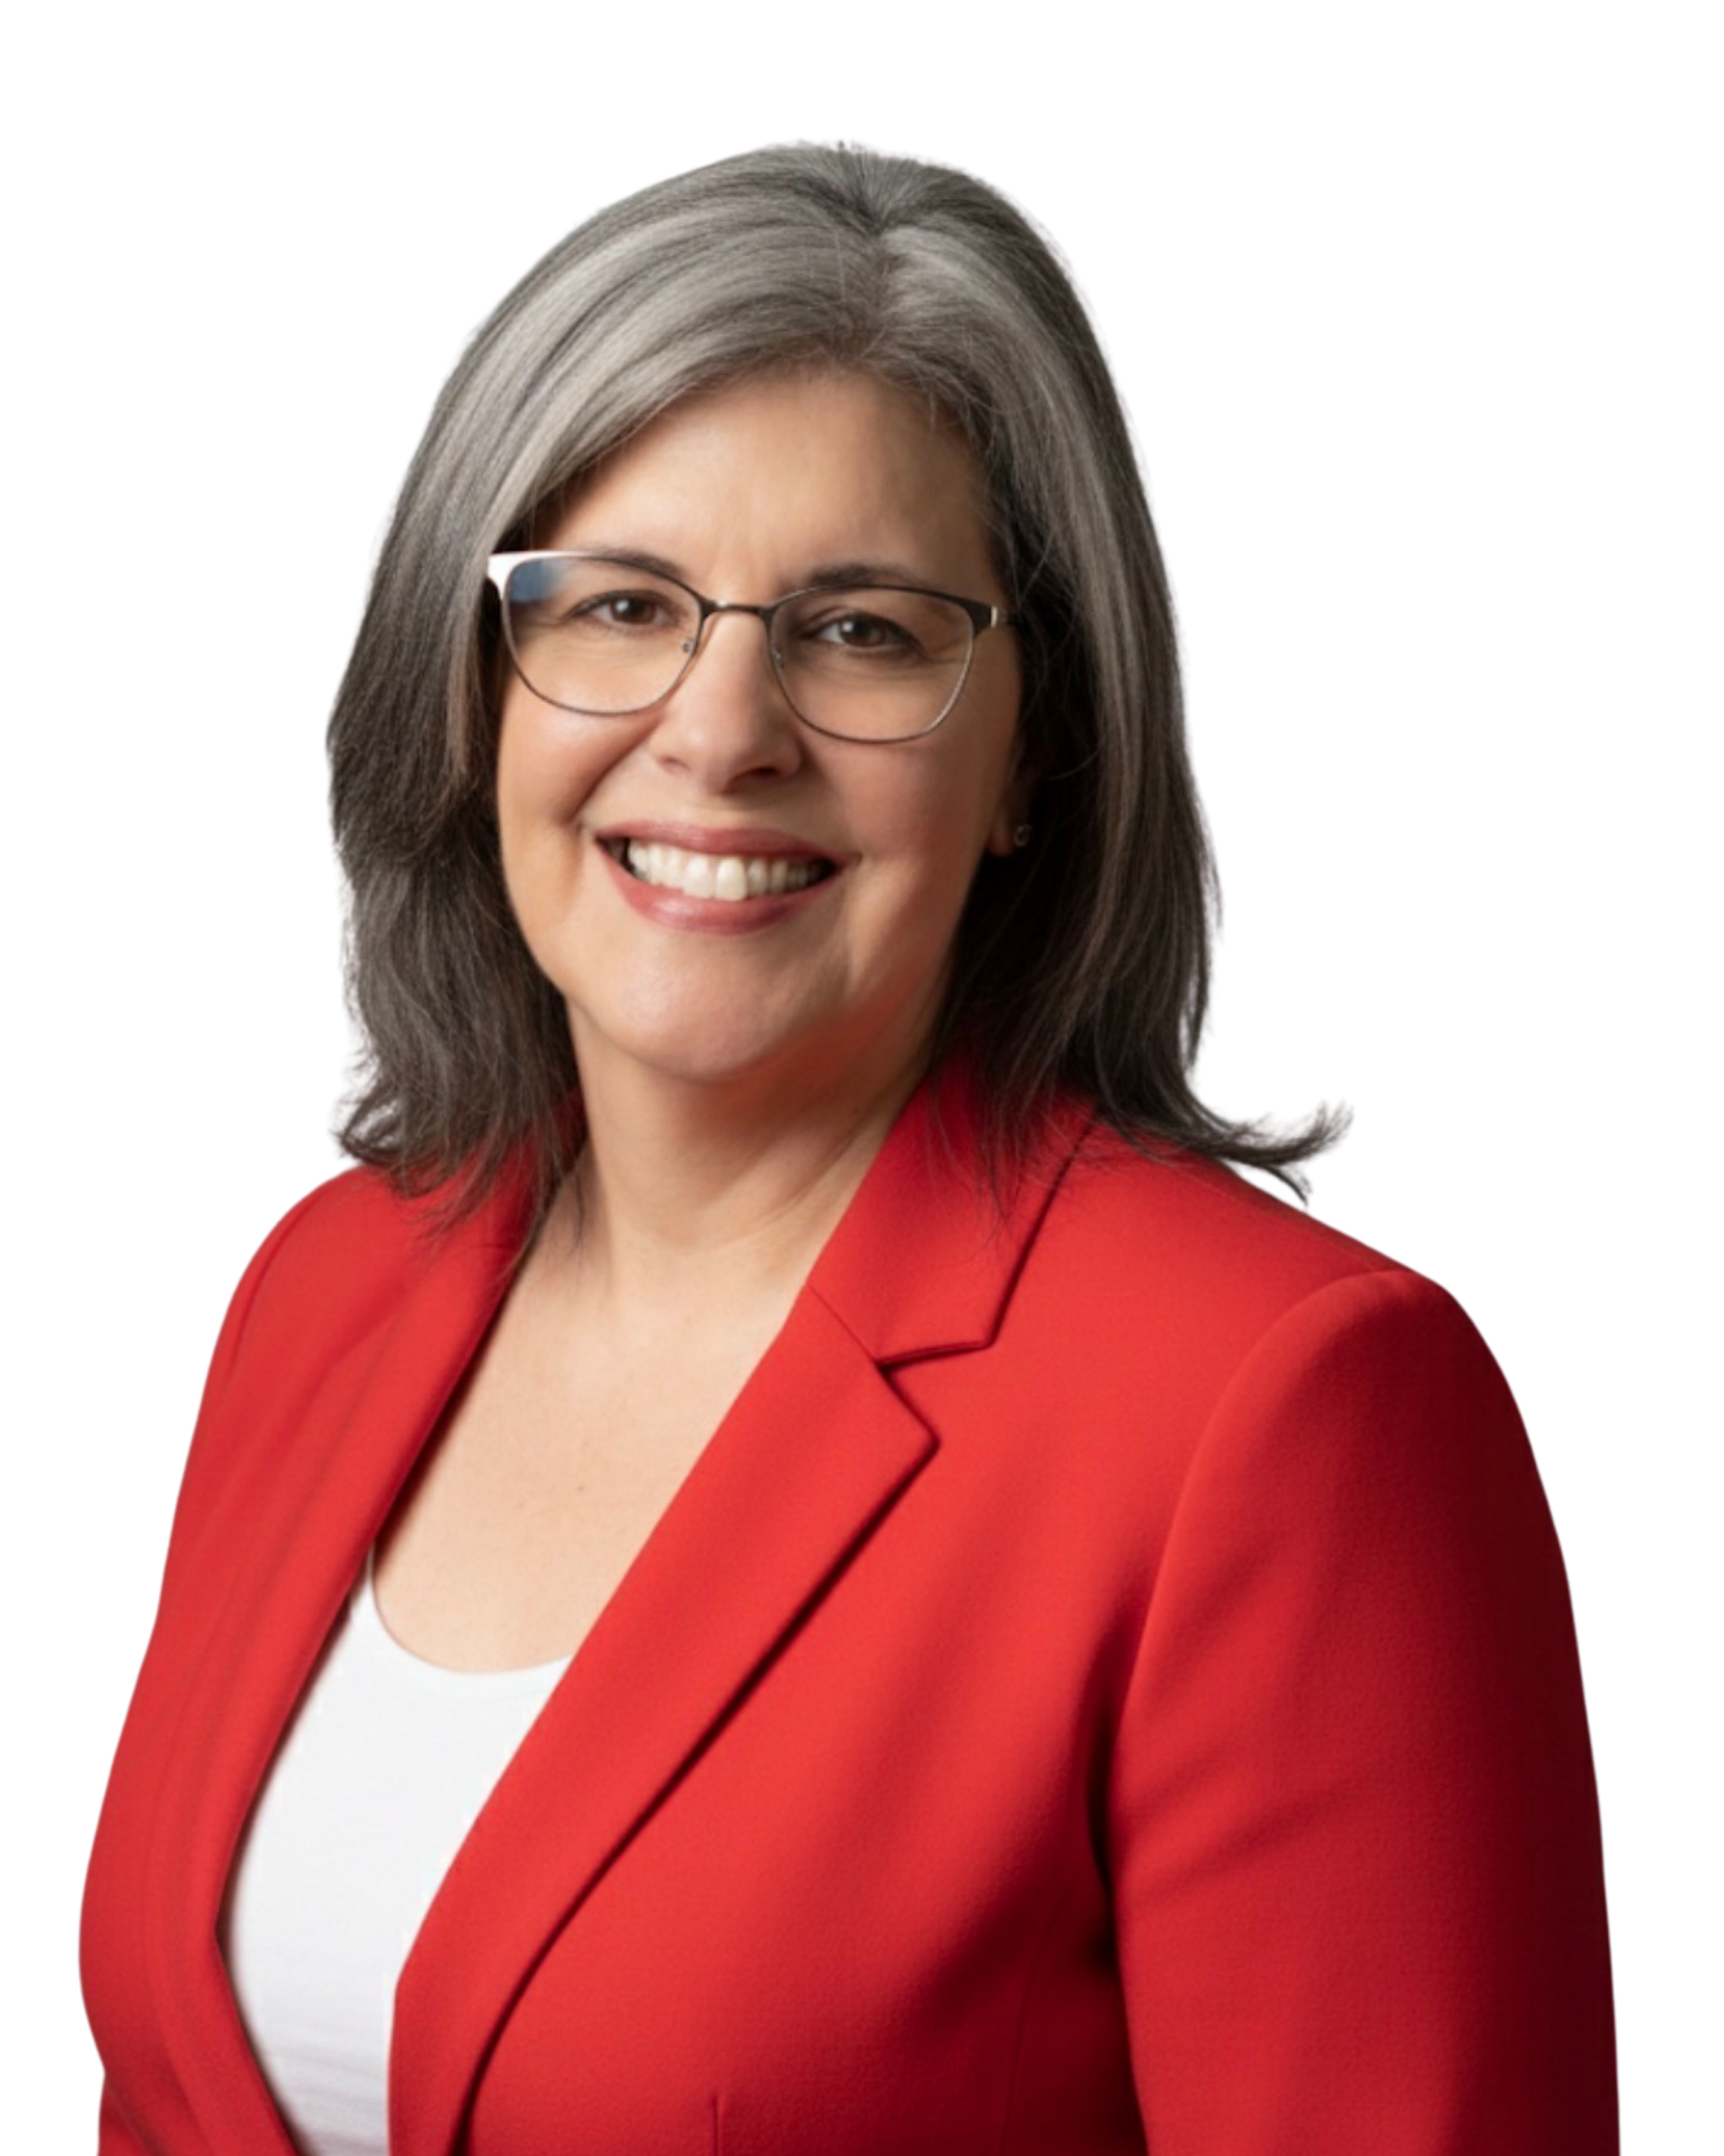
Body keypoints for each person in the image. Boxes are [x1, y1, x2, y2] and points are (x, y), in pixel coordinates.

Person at [77, 139, 1621, 2154]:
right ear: (473, 692)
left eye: (863, 632)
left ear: (1033, 753)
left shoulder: (1275, 1407)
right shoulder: (326, 1284)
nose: (720, 732)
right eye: (619, 604)